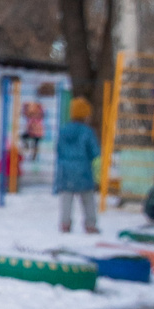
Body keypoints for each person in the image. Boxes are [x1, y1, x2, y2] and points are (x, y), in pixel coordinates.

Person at [55, 94, 101, 234]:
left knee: (66, 199)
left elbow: (58, 149)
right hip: (83, 169)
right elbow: (94, 151)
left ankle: (65, 223)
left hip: (66, 170)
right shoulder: (87, 132)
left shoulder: (64, 130)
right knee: (88, 198)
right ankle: (90, 224)